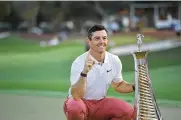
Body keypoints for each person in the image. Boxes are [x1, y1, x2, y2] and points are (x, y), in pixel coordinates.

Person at [63, 24, 135, 120]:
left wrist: (135, 86)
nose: (102, 41)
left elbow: (118, 85)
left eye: (104, 38)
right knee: (75, 107)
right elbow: (76, 95)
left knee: (127, 112)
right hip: (80, 103)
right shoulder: (79, 62)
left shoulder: (114, 60)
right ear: (89, 41)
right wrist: (84, 72)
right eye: (97, 38)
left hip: (100, 103)